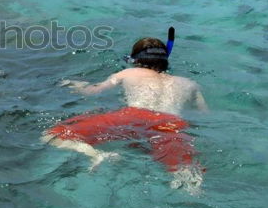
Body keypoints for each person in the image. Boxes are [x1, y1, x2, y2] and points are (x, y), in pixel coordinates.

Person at [43, 28, 208, 193]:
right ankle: (191, 190)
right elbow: (205, 116)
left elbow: (92, 91)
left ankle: (97, 155)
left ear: (135, 60)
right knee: (185, 169)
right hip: (171, 124)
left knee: (52, 135)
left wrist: (76, 85)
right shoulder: (189, 84)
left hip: (132, 118)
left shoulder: (128, 72)